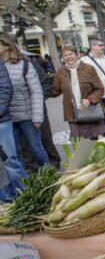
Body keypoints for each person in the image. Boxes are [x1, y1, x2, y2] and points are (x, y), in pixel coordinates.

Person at [0, 33, 50, 170]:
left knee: (36, 148)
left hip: (27, 116)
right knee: (14, 153)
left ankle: (50, 174)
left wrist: (37, 116)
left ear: (6, 45)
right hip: (7, 118)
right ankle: (25, 184)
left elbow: (36, 91)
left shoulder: (24, 65)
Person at [52, 46, 105, 140]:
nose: (68, 57)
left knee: (94, 140)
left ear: (77, 55)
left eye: (71, 54)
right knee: (79, 141)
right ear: (63, 58)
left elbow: (99, 89)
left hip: (89, 110)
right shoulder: (61, 71)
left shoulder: (89, 69)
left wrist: (89, 100)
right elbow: (56, 90)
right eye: (65, 55)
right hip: (72, 112)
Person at [0, 59, 26, 201]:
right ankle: (6, 201)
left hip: (1, 121)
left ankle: (26, 196)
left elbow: (4, 89)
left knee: (9, 160)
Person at [81, 39, 105, 109]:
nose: (103, 47)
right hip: (93, 96)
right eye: (100, 45)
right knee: (98, 117)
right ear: (93, 46)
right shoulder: (83, 61)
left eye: (103, 45)